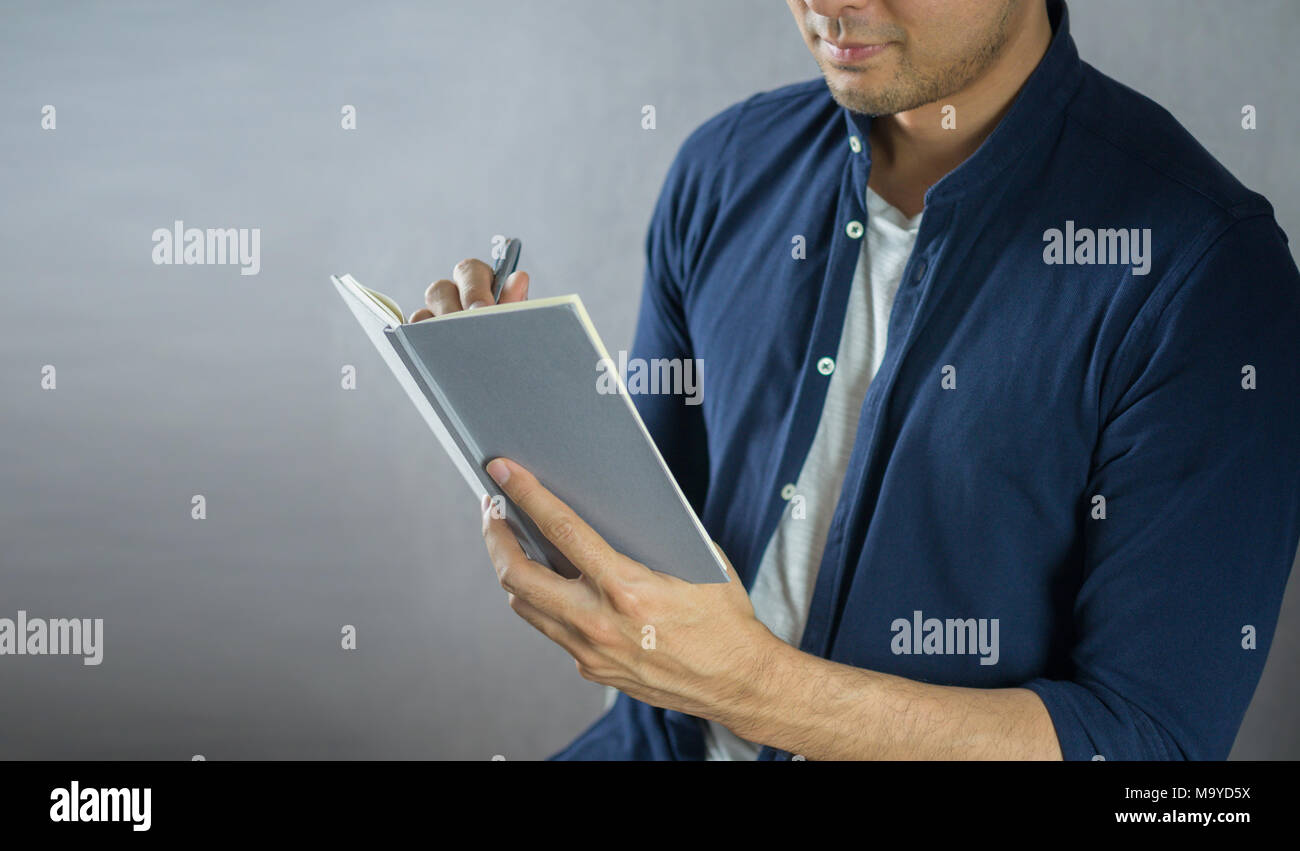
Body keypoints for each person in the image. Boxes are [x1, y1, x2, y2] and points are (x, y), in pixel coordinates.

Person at [413, 0, 1300, 760]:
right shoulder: (721, 170)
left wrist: (756, 686)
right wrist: (510, 411)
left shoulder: (1205, 269)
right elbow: (648, 549)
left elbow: (1154, 754)